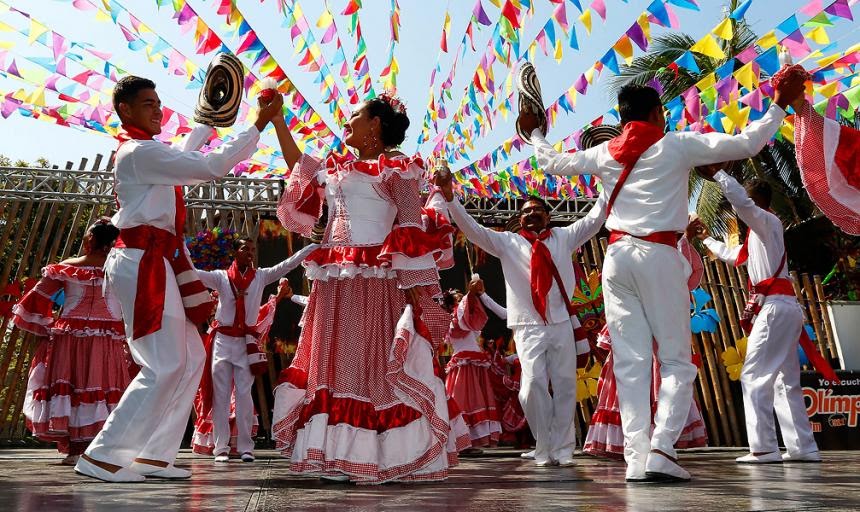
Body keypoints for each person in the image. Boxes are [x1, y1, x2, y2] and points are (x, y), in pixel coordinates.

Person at [518, 78, 801, 482]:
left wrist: (534, 132)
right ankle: (661, 448)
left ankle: (636, 460)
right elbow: (747, 143)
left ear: (622, 118)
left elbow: (550, 162)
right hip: (659, 256)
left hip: (617, 259)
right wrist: (778, 105)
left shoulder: (603, 152)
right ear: (657, 114)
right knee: (675, 361)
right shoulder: (676, 144)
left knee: (631, 364)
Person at [75, 75, 284, 483]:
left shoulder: (149, 154)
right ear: (126, 111)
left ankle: (154, 456)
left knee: (190, 360)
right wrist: (257, 124)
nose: (158, 109)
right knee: (164, 363)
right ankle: (103, 456)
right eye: (149, 104)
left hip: (161, 263)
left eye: (158, 102)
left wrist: (208, 121)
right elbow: (207, 166)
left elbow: (185, 155)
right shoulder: (137, 152)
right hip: (142, 263)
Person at [271, 93, 459, 484]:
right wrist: (277, 121)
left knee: (369, 366)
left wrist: (419, 295)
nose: (349, 119)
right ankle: (336, 454)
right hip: (334, 281)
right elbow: (299, 167)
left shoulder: (398, 169)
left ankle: (370, 454)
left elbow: (409, 229)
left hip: (374, 281)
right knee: (332, 365)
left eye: (357, 114)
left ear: (375, 124)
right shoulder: (339, 166)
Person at [438, 172, 604, 468]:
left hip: (561, 322)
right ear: (520, 219)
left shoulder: (565, 237)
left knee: (565, 384)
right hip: (528, 326)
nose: (531, 214)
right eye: (525, 211)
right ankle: (544, 443)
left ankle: (563, 448)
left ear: (547, 215)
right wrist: (451, 199)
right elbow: (473, 230)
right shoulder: (507, 243)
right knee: (531, 387)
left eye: (536, 210)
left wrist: (610, 181)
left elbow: (595, 218)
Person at [691, 165, 822, 464]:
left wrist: (720, 175)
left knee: (753, 375)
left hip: (776, 308)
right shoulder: (760, 235)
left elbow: (743, 205)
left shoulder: (765, 221)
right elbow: (735, 257)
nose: (739, 210)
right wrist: (707, 239)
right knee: (784, 381)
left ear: (757, 202)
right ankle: (803, 447)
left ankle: (763, 449)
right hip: (783, 308)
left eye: (746, 203)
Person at [12, 219, 132, 466]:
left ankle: (77, 449)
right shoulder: (125, 269)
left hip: (70, 336)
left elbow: (37, 299)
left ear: (91, 241)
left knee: (76, 385)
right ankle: (100, 447)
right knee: (102, 385)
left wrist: (46, 325)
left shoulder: (66, 268)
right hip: (107, 337)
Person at [191, 238, 318, 463]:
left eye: (252, 249)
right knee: (221, 396)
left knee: (243, 395)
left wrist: (312, 247)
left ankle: (245, 448)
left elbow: (287, 265)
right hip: (222, 340)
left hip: (245, 342)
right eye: (244, 249)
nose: (250, 253)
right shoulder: (220, 277)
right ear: (235, 253)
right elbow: (195, 273)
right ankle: (220, 448)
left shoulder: (260, 276)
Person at [583, 237, 708, 460]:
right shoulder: (629, 253)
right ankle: (639, 447)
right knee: (635, 378)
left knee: (655, 378)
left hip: (655, 337)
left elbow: (684, 277)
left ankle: (652, 446)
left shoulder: (662, 251)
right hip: (636, 334)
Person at [441, 278, 506, 449]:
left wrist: (473, 294)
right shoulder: (454, 320)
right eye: (458, 297)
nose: (462, 299)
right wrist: (470, 293)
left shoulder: (465, 319)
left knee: (478, 398)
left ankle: (477, 438)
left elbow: (469, 307)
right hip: (464, 365)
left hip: (474, 363)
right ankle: (464, 437)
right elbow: (466, 305)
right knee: (467, 399)